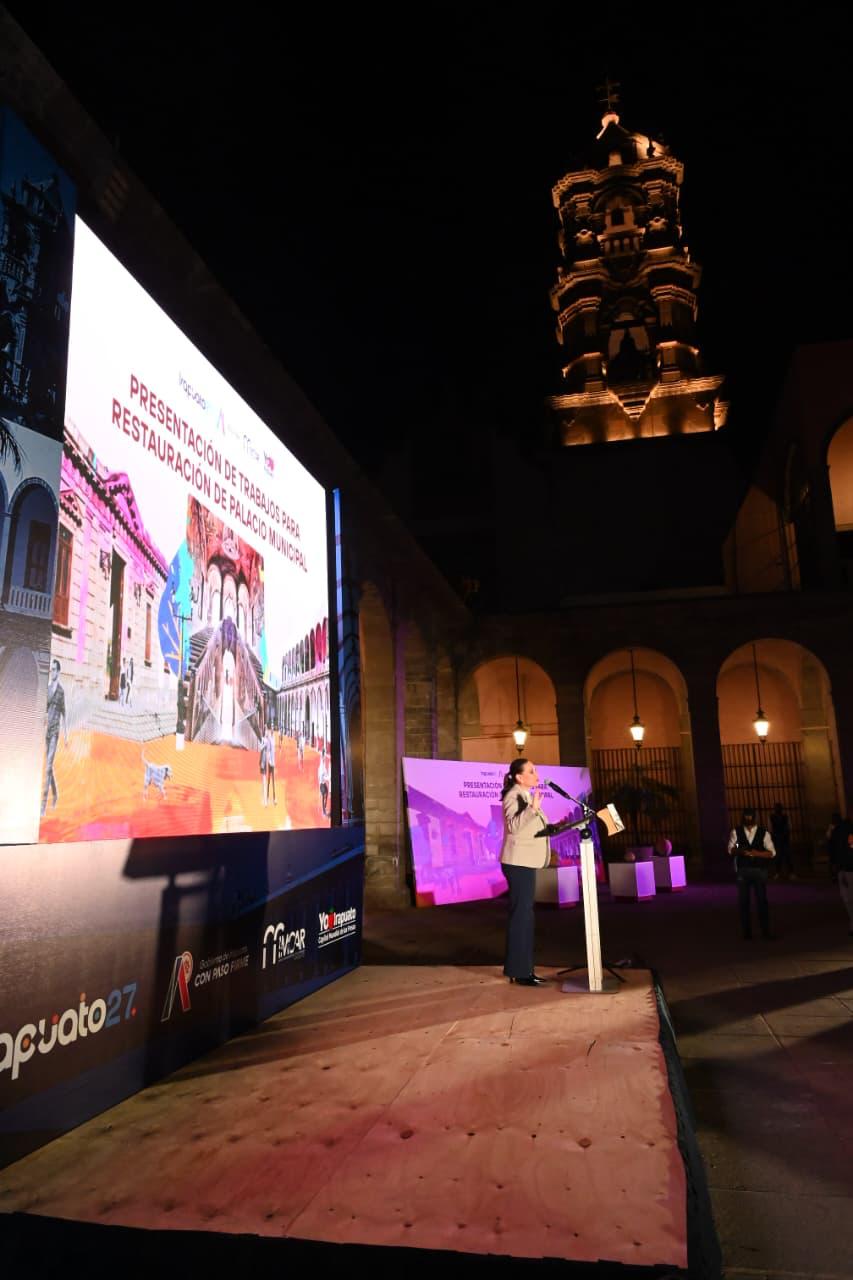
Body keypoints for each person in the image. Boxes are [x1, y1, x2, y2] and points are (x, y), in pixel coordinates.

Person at [500, 758, 550, 986]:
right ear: (519, 777)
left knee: (525, 916)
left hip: (525, 862)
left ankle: (524, 969)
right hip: (517, 863)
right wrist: (532, 809)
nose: (536, 775)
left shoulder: (526, 795)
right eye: (531, 771)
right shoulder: (514, 795)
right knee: (521, 916)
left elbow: (528, 827)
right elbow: (514, 827)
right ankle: (519, 971)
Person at [727, 807, 777, 939]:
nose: (748, 819)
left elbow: (772, 852)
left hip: (759, 870)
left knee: (761, 901)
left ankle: (765, 931)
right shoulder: (737, 832)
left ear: (754, 817)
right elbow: (732, 847)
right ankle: (747, 932)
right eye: (746, 816)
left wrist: (756, 853)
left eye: (750, 816)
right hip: (743, 871)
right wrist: (740, 849)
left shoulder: (763, 833)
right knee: (744, 902)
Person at [41, 659, 68, 816]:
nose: (52, 673)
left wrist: (66, 735)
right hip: (47, 732)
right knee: (49, 768)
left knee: (47, 768)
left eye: (54, 670)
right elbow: (44, 710)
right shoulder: (48, 688)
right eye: (50, 670)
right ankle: (56, 793)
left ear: (58, 671)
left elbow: (64, 714)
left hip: (55, 733)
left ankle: (43, 806)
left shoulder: (61, 691)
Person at [829, 808, 853, 935]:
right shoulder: (841, 829)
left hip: (844, 868)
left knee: (848, 898)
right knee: (848, 898)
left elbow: (833, 848)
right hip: (846, 868)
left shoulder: (839, 829)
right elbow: (834, 848)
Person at [770, 802, 793, 878]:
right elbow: (789, 827)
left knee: (786, 856)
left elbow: (771, 829)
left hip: (781, 838)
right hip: (780, 838)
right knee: (781, 856)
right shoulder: (783, 817)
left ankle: (784, 872)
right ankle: (784, 872)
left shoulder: (776, 817)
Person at [265, 726, 277, 805]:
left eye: (273, 729)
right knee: (269, 780)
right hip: (270, 763)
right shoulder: (269, 739)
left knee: (273, 781)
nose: (272, 731)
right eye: (271, 729)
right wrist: (269, 760)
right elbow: (268, 750)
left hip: (273, 762)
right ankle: (267, 796)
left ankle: (274, 798)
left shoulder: (273, 739)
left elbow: (273, 751)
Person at [318, 751, 330, 816]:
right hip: (322, 784)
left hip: (323, 784)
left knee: (326, 794)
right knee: (324, 796)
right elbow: (322, 776)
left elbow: (324, 775)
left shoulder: (323, 765)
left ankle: (324, 809)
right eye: (323, 758)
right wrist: (327, 778)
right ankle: (323, 810)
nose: (323, 759)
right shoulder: (321, 767)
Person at [259, 731, 268, 806]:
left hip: (264, 765)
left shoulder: (264, 746)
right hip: (264, 764)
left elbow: (260, 748)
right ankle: (264, 800)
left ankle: (265, 801)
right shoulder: (265, 749)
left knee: (264, 783)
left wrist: (262, 742)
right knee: (263, 783)